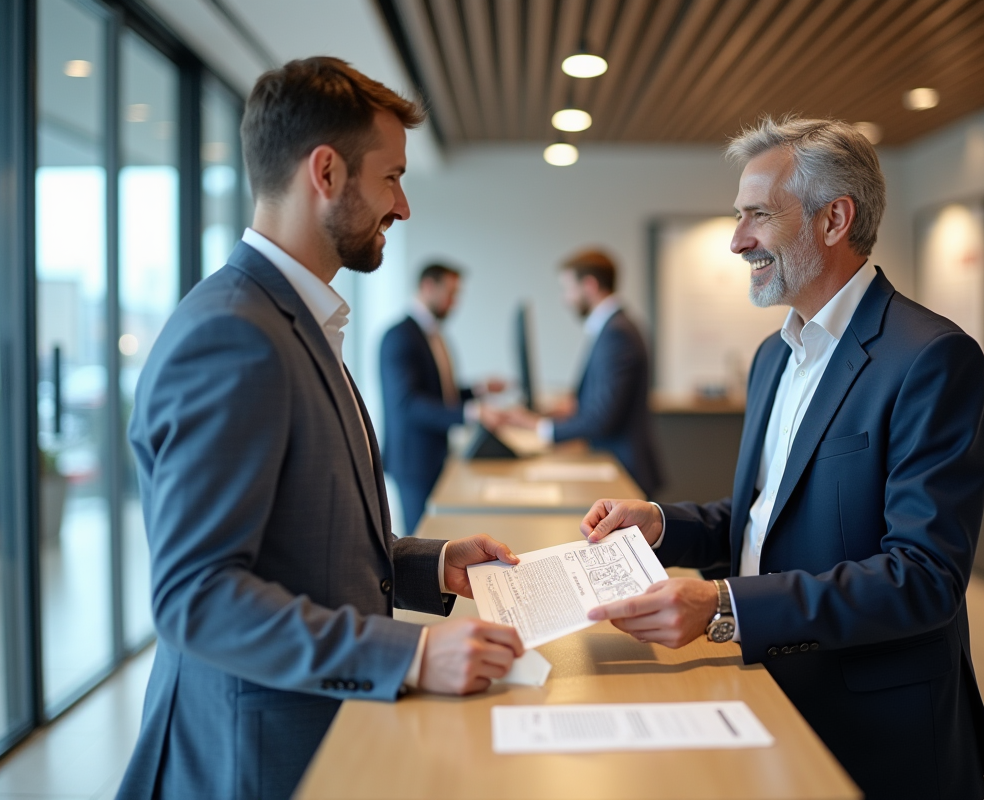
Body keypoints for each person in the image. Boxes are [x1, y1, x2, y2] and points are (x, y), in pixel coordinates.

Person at [116, 58, 524, 800]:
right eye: (392, 177)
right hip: (253, 759)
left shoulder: (294, 318)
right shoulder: (233, 335)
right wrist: (411, 655)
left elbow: (300, 541)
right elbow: (198, 597)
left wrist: (427, 566)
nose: (403, 207)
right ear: (327, 173)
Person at [578, 116, 984, 799]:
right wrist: (660, 524)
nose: (736, 239)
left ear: (835, 219)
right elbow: (763, 518)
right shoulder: (774, 356)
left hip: (874, 730)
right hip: (764, 687)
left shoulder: (930, 357)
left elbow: (923, 577)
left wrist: (724, 605)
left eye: (757, 216)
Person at [505, 249, 663, 497]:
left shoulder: (616, 333)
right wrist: (558, 410)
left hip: (625, 472)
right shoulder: (610, 328)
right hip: (616, 466)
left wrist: (539, 426)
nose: (565, 299)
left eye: (567, 289)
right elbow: (597, 399)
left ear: (589, 285)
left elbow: (602, 417)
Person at [381, 263, 506, 533]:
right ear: (428, 287)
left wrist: (479, 389)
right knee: (422, 540)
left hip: (435, 453)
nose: (454, 302)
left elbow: (440, 393)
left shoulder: (434, 335)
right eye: (450, 293)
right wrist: (472, 412)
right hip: (414, 461)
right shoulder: (399, 336)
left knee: (437, 538)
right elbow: (408, 403)